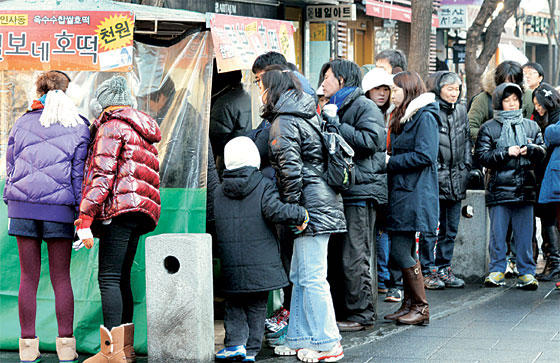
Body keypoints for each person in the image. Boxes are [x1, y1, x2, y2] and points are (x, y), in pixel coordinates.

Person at [258, 65, 346, 362]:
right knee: (301, 274)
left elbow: (290, 173)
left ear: (274, 90)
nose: (260, 91)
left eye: (262, 85)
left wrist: (294, 213)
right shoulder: (305, 115)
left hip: (309, 207)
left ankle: (327, 342)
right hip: (320, 202)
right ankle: (299, 337)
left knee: (311, 277)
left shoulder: (284, 122)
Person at [4, 70, 90, 363]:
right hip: (60, 211)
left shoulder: (22, 122)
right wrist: (82, 215)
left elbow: (11, 166)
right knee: (61, 277)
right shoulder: (79, 127)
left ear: (38, 91)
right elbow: (79, 176)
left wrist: (11, 202)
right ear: (67, 93)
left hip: (22, 208)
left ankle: (27, 349)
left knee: (28, 278)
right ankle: (66, 348)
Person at [76, 76, 161, 362]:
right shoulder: (143, 128)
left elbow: (102, 176)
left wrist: (84, 218)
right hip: (140, 211)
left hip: (118, 209)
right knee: (122, 277)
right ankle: (124, 350)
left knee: (109, 278)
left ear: (102, 104)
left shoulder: (112, 126)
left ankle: (110, 352)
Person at [213, 136, 308, 362]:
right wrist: (300, 213)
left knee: (234, 304)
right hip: (261, 263)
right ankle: (252, 349)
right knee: (257, 306)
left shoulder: (218, 191)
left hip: (231, 263)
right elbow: (276, 211)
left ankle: (235, 344)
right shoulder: (263, 184)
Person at [319, 59, 385, 333]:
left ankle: (362, 314)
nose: (322, 83)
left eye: (327, 78)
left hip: (360, 191)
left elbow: (371, 141)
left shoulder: (363, 106)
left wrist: (336, 125)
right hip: (341, 190)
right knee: (338, 255)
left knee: (355, 255)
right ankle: (345, 310)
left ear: (342, 81)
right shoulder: (333, 106)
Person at [474, 83, 545, 290]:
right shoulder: (489, 127)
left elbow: (542, 152)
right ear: (499, 103)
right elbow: (482, 156)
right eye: (507, 100)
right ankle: (497, 270)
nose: (512, 104)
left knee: (525, 234)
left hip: (526, 187)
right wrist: (506, 153)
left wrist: (530, 149)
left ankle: (527, 273)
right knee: (498, 234)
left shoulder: (531, 125)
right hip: (499, 188)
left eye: (515, 99)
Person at [384, 71, 439, 326]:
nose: (391, 94)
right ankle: (409, 304)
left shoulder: (425, 116)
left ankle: (421, 307)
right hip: (403, 192)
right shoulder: (403, 116)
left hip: (414, 193)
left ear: (408, 90)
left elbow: (425, 155)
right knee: (405, 251)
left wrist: (389, 162)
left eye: (395, 90)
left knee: (399, 251)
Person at [418, 71, 471, 290]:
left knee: (450, 229)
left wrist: (466, 166)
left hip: (457, 176)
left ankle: (444, 267)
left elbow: (466, 139)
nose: (454, 93)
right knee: (431, 227)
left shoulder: (460, 110)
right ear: (438, 88)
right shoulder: (430, 110)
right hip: (435, 178)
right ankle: (427, 269)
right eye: (449, 88)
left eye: (457, 89)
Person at [362, 67, 393, 295]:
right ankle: (380, 278)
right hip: (373, 179)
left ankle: (383, 278)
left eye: (386, 89)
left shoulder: (393, 114)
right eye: (377, 89)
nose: (382, 94)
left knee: (383, 230)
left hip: (388, 178)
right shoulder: (365, 112)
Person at [533, 83, 560, 281]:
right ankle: (553, 262)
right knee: (547, 216)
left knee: (551, 217)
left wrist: (548, 131)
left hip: (554, 178)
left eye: (539, 103)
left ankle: (555, 263)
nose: (537, 107)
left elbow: (551, 135)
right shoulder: (541, 118)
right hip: (545, 176)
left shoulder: (554, 121)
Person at [469, 61, 533, 141]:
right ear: (497, 81)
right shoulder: (483, 99)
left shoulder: (529, 96)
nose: (510, 86)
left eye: (515, 82)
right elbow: (470, 128)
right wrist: (494, 137)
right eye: (506, 83)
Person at [210, 60, 252, 177]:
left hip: (229, 165)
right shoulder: (245, 96)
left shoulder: (223, 103)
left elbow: (215, 142)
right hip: (247, 160)